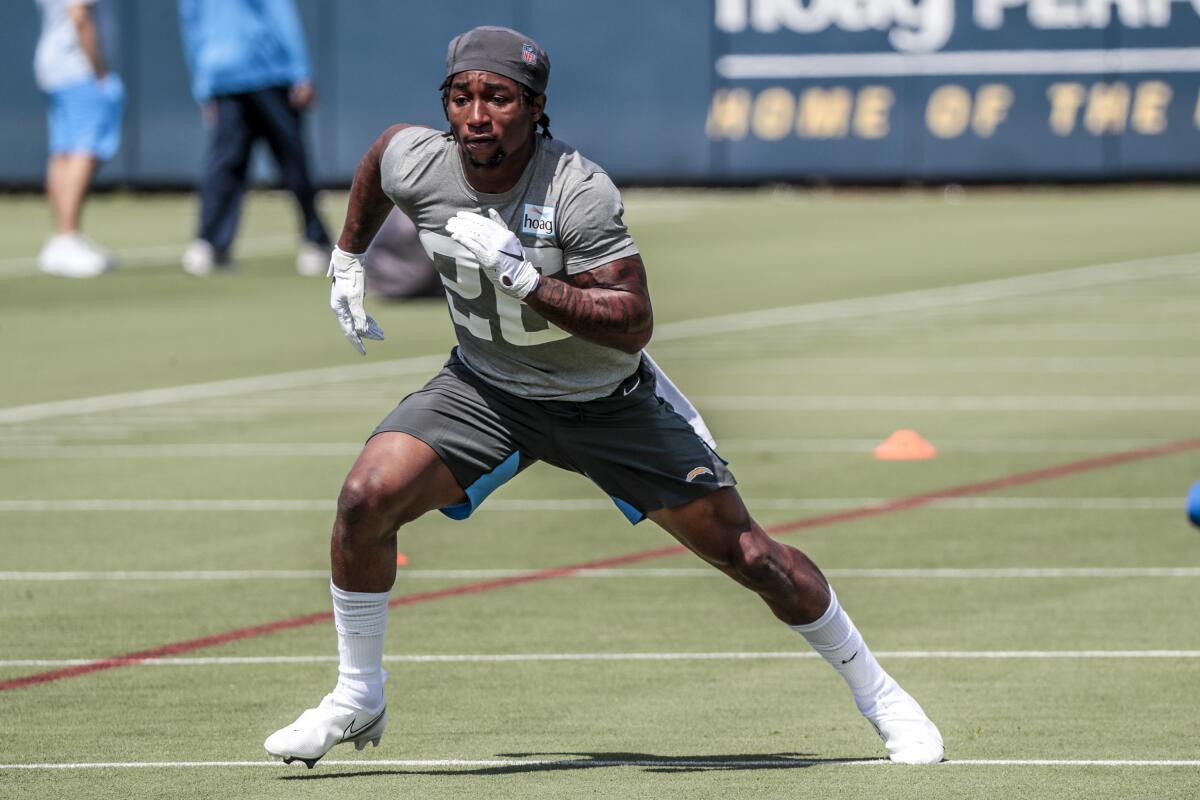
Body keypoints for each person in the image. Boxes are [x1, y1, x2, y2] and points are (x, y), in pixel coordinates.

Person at [264, 26, 944, 768]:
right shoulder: (419, 157)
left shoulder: (576, 190)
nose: (476, 116)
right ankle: (358, 692)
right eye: (461, 97)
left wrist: (528, 280)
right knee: (365, 498)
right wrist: (348, 254)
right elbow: (378, 159)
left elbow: (633, 323)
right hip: (487, 389)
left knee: (754, 558)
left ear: (535, 108)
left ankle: (881, 697)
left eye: (497, 98)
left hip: (604, 399)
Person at [177, 0, 331, 276]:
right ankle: (211, 244)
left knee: (288, 160)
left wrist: (203, 84)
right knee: (232, 163)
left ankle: (315, 240)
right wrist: (302, 72)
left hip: (262, 75)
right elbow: (193, 25)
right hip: (239, 78)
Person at [33, 0, 124, 278]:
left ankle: (63, 237)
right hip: (77, 67)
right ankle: (67, 237)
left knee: (62, 150)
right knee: (82, 149)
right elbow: (80, 15)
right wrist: (99, 71)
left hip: (52, 64)